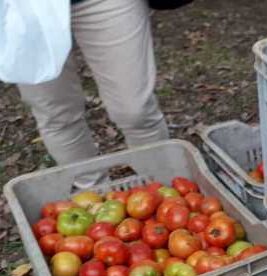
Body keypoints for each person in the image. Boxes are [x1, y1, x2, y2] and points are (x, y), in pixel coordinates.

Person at [17, 0, 169, 185]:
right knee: (57, 116)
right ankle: (92, 193)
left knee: (135, 110)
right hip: (22, 11)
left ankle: (161, 188)